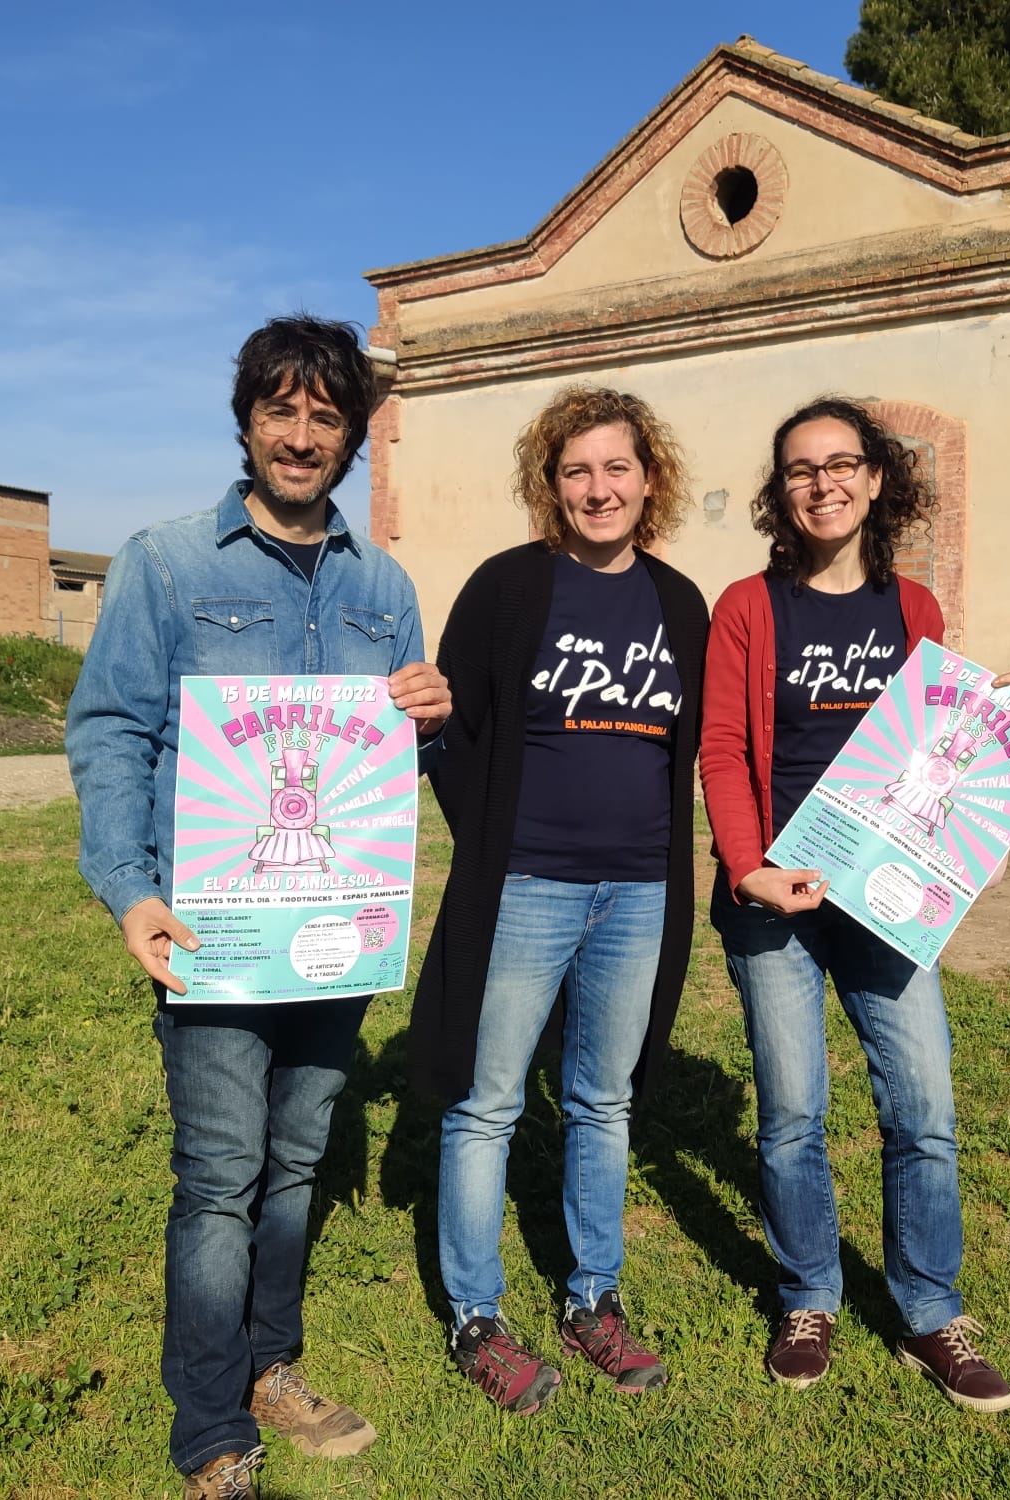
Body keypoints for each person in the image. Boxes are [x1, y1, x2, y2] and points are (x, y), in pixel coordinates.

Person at [67, 316, 451, 1499]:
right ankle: (208, 1428)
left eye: (324, 417)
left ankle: (269, 1366)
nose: (299, 435)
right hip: (215, 931)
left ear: (351, 438)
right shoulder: (167, 562)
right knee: (220, 1172)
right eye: (279, 410)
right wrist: (129, 890)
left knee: (295, 1163)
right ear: (245, 422)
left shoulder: (383, 586)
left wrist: (430, 719)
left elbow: (395, 768)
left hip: (332, 934)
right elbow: (110, 729)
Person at [700, 396, 1010, 1414]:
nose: (823, 483)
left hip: (886, 900)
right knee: (792, 1113)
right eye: (801, 469)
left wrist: (993, 729)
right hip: (777, 898)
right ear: (781, 489)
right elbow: (722, 749)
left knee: (921, 1106)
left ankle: (929, 1311)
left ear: (876, 479)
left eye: (841, 463)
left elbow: (932, 753)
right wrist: (749, 867)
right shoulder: (747, 607)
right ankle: (809, 1296)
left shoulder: (913, 609)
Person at [409, 387, 708, 1412]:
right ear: (551, 484)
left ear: (649, 479)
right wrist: (496, 846)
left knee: (601, 1100)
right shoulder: (507, 588)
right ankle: (475, 1317)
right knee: (487, 1101)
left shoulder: (680, 604)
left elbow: (697, 746)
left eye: (616, 467)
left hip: (640, 890)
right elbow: (450, 733)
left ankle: (592, 1300)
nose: (598, 488)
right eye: (576, 470)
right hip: (527, 886)